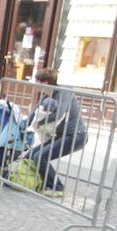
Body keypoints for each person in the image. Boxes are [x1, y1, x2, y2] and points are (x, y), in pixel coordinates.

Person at [23, 68, 88, 197]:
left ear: (46, 82)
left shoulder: (64, 92)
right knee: (30, 156)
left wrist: (41, 122)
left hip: (75, 135)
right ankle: (40, 182)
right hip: (61, 135)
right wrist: (19, 126)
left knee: (40, 157)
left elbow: (59, 113)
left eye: (38, 81)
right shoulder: (46, 95)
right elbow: (33, 114)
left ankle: (57, 187)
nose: (36, 84)